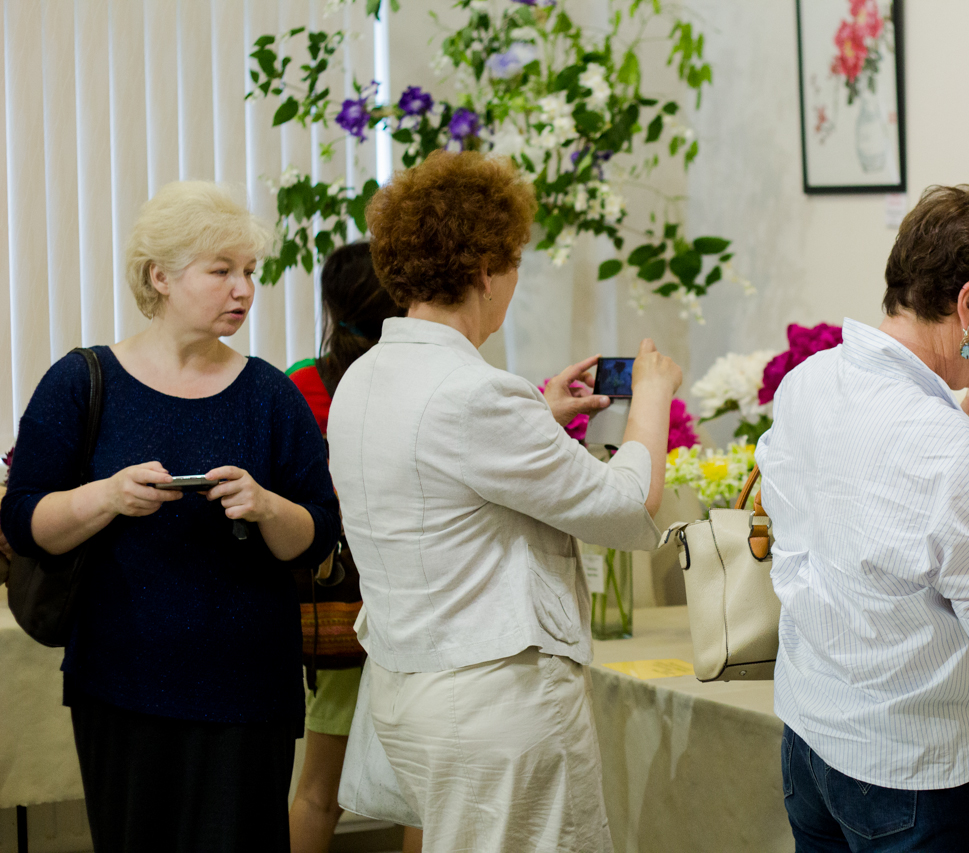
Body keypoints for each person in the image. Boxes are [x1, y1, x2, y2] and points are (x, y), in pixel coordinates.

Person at [327, 150, 682, 853]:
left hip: (410, 689)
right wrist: (652, 396)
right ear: (487, 271)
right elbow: (631, 508)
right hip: (493, 700)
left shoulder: (364, 378)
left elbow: (436, 472)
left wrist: (536, 416)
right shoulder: (477, 394)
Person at [0, 182, 341, 853]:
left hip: (250, 690)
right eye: (221, 271)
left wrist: (267, 506)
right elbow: (22, 520)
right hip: (121, 685)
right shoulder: (82, 382)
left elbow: (318, 534)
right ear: (160, 276)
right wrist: (106, 497)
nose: (243, 289)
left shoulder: (270, 394)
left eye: (249, 271)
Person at [756, 184, 969, 852]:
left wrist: (956, 425)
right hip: (911, 769)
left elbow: (863, 504)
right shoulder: (949, 453)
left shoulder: (807, 382)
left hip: (811, 733)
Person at [285, 243, 421, 853]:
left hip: (338, 603)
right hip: (418, 600)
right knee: (425, 794)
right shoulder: (426, 380)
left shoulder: (301, 384)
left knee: (319, 791)